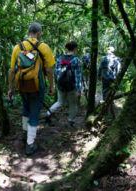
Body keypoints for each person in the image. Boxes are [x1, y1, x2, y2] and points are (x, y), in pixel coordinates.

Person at [8, 22, 55, 155]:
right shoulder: (44, 47)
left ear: (28, 32)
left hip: (21, 84)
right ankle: (30, 144)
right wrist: (51, 86)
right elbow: (49, 70)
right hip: (37, 85)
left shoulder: (17, 48)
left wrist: (11, 88)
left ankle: (24, 133)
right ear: (39, 33)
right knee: (34, 112)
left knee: (25, 107)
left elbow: (12, 70)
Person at [45, 41, 82, 127]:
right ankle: (71, 121)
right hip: (71, 86)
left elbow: (56, 73)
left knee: (59, 102)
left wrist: (56, 84)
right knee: (72, 104)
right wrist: (79, 89)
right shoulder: (76, 60)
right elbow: (78, 76)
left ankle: (48, 113)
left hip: (61, 85)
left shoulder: (60, 58)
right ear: (75, 48)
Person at [98, 46, 121, 118]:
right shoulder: (116, 59)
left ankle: (106, 111)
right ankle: (111, 108)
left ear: (109, 51)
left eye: (108, 49)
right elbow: (119, 70)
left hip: (105, 78)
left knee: (105, 92)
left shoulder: (104, 58)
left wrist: (99, 76)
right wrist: (117, 79)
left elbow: (100, 68)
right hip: (113, 79)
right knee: (112, 93)